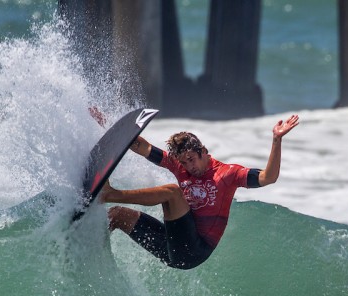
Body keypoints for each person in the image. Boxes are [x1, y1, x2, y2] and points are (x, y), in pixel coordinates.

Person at [99, 114, 300, 269]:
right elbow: (144, 147)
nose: (188, 166)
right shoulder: (180, 165)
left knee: (172, 192)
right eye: (183, 162)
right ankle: (87, 248)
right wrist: (112, 127)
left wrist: (276, 140)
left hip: (194, 251)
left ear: (203, 151)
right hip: (172, 248)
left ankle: (108, 193)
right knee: (117, 215)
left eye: (191, 159)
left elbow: (268, 177)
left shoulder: (227, 174)